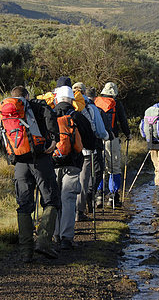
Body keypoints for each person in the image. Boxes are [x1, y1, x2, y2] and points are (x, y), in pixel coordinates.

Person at [0, 86, 61, 262]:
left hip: (19, 163)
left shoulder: (4, 111)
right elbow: (51, 119)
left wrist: (11, 153)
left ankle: (26, 252)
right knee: (51, 199)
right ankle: (43, 242)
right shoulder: (37, 105)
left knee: (24, 204)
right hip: (41, 159)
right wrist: (54, 139)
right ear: (27, 96)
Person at [52, 85, 96, 250]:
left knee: (54, 198)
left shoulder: (49, 114)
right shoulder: (78, 116)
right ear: (72, 100)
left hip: (53, 163)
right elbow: (91, 142)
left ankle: (54, 234)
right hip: (73, 164)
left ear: (56, 99)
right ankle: (67, 238)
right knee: (68, 199)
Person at [72, 82, 109, 221]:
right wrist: (106, 136)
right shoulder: (90, 107)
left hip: (67, 151)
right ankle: (79, 212)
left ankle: (65, 212)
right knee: (83, 180)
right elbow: (99, 130)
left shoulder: (64, 104)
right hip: (86, 151)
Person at [94, 82, 131, 208]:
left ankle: (98, 195)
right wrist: (128, 134)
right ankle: (113, 197)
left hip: (98, 140)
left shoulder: (95, 102)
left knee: (100, 168)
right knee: (114, 168)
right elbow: (123, 121)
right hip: (112, 139)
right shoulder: (116, 104)